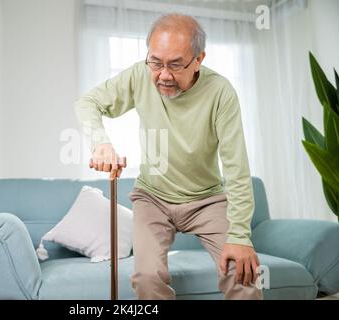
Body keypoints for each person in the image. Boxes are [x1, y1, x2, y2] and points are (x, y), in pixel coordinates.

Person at [75, 13, 262, 300]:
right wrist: (101, 144)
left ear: (199, 59)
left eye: (175, 65)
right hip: (153, 198)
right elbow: (89, 102)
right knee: (148, 278)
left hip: (207, 200)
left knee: (244, 275)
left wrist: (240, 236)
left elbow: (236, 167)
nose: (163, 74)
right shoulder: (140, 75)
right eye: (156, 62)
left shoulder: (220, 92)